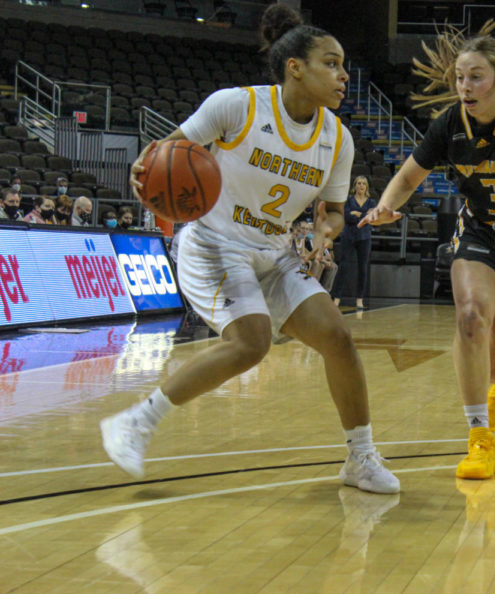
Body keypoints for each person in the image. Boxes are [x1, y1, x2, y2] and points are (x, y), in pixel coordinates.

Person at [100, 4, 399, 495]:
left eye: (344, 64)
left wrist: (325, 233)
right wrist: (145, 171)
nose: (344, 75)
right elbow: (165, 155)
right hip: (214, 243)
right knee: (252, 342)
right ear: (294, 67)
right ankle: (134, 422)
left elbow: (334, 212)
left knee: (338, 339)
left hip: (274, 250)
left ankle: (360, 459)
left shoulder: (338, 139)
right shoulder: (235, 106)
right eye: (331, 62)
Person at [359, 21, 495, 480]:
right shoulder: (451, 123)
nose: (465, 87)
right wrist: (387, 206)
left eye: (475, 77)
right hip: (481, 232)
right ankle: (479, 439)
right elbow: (410, 173)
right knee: (470, 316)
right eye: (459, 77)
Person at [331, 175, 376, 309]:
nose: (361, 186)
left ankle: (360, 299)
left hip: (364, 237)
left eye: (363, 183)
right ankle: (336, 298)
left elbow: (371, 219)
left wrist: (358, 214)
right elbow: (346, 217)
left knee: (362, 268)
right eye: (358, 183)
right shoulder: (349, 200)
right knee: (343, 267)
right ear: (354, 186)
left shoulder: (371, 202)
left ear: (366, 186)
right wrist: (363, 215)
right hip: (348, 236)